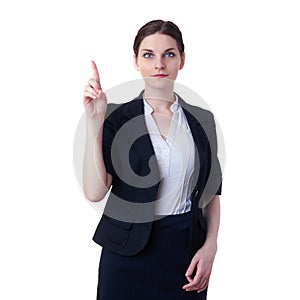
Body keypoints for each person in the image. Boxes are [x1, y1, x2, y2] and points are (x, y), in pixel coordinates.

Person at [83, 19, 222, 300]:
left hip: (185, 253)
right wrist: (94, 122)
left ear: (182, 60)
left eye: (169, 54)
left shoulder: (202, 121)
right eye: (148, 55)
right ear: (136, 61)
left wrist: (210, 247)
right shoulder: (115, 118)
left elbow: (211, 194)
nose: (159, 63)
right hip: (126, 254)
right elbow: (95, 192)